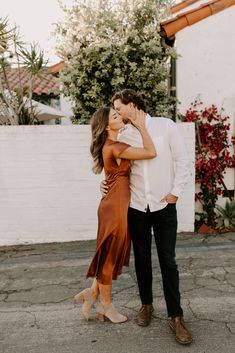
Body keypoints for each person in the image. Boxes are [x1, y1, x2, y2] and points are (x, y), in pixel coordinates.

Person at [101, 89, 192, 344]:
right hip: (137, 206)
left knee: (168, 261)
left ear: (132, 105)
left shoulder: (166, 126)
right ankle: (146, 305)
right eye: (115, 111)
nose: (117, 113)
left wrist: (174, 193)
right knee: (141, 258)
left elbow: (182, 161)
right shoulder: (124, 134)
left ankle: (176, 317)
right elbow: (115, 168)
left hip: (164, 205)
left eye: (119, 108)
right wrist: (105, 185)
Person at [74, 106, 156, 324]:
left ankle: (92, 294)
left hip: (113, 204)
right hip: (115, 208)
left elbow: (113, 176)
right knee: (109, 257)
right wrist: (140, 127)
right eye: (115, 115)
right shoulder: (116, 146)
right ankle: (106, 306)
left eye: (118, 113)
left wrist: (105, 185)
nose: (119, 116)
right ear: (106, 125)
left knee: (108, 253)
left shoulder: (110, 146)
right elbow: (150, 152)